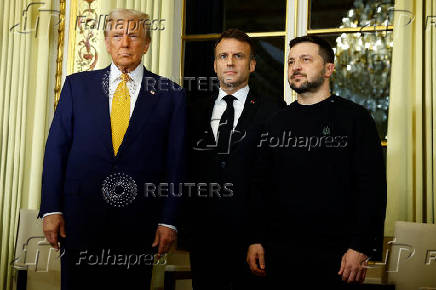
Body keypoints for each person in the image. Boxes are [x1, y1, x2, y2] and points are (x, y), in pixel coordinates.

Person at [39, 8, 186, 290]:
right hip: (80, 220)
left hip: (140, 225)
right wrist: (51, 209)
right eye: (117, 35)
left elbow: (176, 162)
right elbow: (56, 150)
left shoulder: (170, 94)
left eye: (133, 35)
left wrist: (169, 220)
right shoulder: (76, 87)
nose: (125, 43)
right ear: (106, 42)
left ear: (147, 43)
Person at [246, 35, 387, 289]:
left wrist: (361, 247)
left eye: (305, 59)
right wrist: (256, 239)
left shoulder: (356, 119)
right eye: (290, 61)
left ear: (329, 69)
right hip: (280, 255)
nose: (295, 66)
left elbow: (372, 188)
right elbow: (260, 187)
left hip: (339, 257)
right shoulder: (275, 122)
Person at [185, 28, 285, 290]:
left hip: (252, 243)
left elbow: (278, 182)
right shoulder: (193, 111)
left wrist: (260, 238)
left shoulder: (274, 111)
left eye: (238, 56)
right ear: (215, 64)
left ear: (252, 65)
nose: (230, 62)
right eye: (223, 56)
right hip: (204, 240)